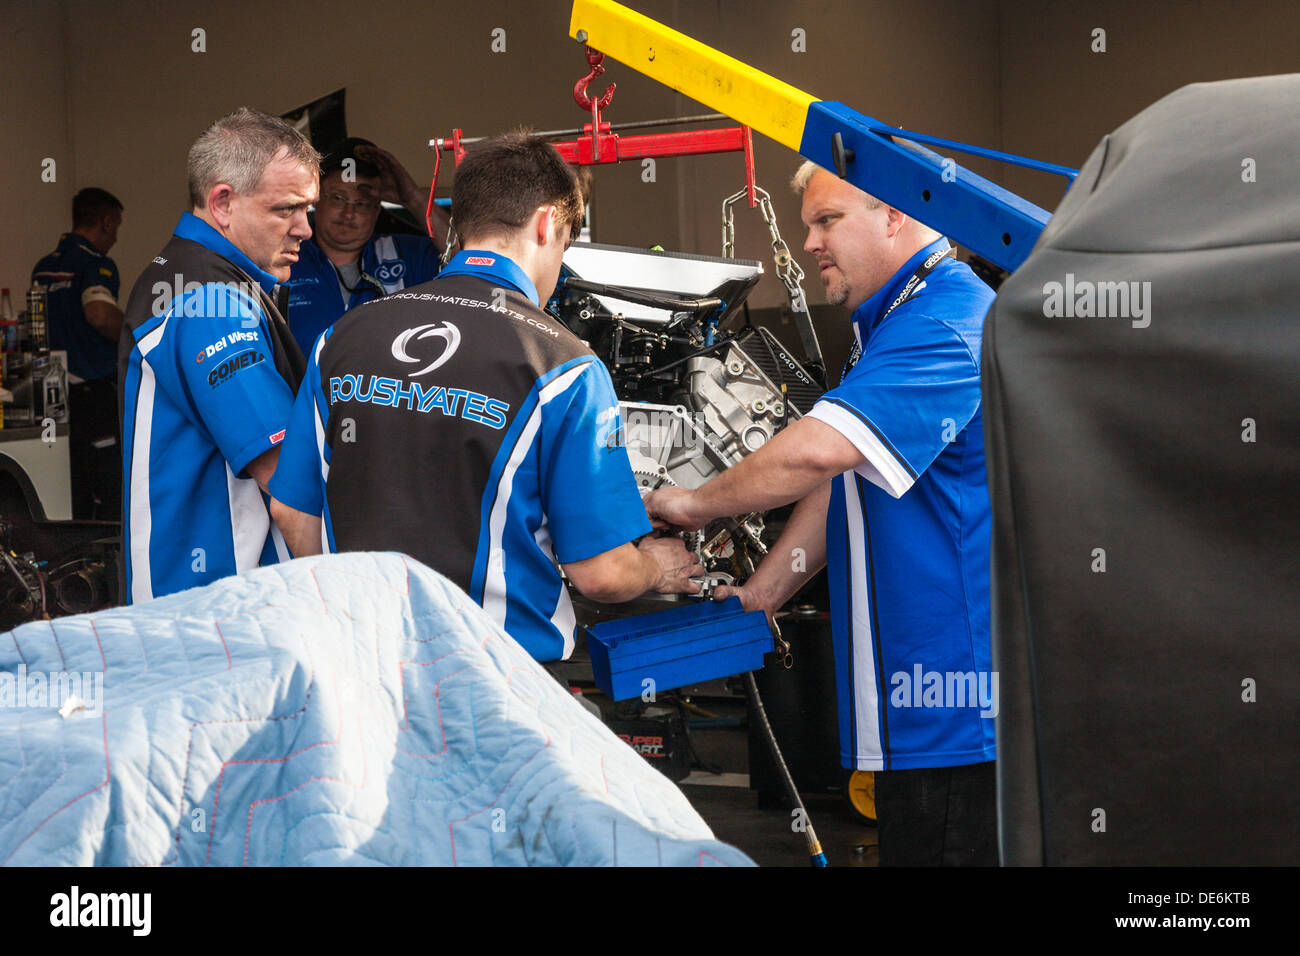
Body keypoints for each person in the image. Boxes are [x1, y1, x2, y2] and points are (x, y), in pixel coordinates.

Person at [645, 162, 999, 866]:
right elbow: (843, 480)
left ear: (895, 214)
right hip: (916, 698)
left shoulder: (944, 321)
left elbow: (815, 453)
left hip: (954, 709)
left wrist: (689, 502)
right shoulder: (895, 320)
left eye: (826, 221)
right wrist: (762, 595)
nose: (808, 243)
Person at [268, 131, 702, 662]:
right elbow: (603, 574)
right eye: (564, 245)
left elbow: (291, 510)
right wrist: (657, 566)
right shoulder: (567, 366)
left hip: (361, 660)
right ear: (547, 224)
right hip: (497, 671)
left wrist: (354, 612)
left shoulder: (340, 339)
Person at [118, 108, 319, 603]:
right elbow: (288, 487)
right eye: (286, 209)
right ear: (223, 203)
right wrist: (350, 596)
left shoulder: (194, 278)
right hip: (215, 610)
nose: (305, 229)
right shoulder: (210, 302)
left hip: (205, 605)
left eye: (308, 209)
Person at [285, 138, 449, 354]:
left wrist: (412, 198)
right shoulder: (283, 256)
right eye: (338, 198)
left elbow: (471, 257)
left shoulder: (408, 254)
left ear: (377, 210)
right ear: (316, 198)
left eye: (361, 203)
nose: (348, 213)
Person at [31, 188, 125, 518]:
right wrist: (137, 334)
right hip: (93, 393)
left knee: (71, 490)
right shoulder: (97, 263)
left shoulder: (43, 268)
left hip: (52, 395)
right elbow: (99, 314)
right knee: (109, 492)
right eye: (116, 227)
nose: (115, 237)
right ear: (106, 222)